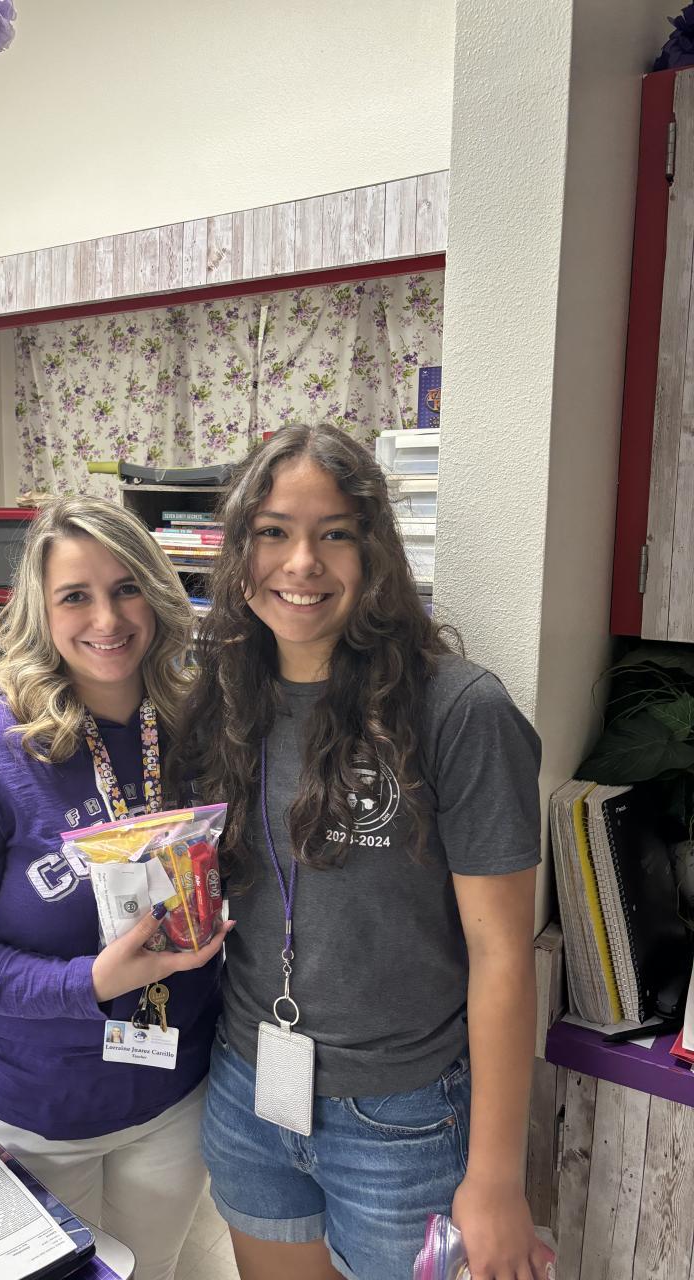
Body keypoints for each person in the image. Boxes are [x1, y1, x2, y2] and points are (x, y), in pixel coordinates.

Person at [172, 424, 553, 1280]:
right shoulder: (223, 698)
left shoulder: (460, 711)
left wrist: (496, 1177)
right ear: (239, 551)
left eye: (334, 533)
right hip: (249, 1090)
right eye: (273, 531)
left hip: (403, 1121)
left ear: (374, 548)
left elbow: (502, 952)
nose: (302, 562)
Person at [0, 496, 229, 1280]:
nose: (107, 618)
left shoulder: (198, 727)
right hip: (31, 1112)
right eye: (76, 596)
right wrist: (88, 983)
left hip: (174, 1096)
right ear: (42, 613)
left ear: (158, 594)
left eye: (126, 588)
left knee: (149, 1270)